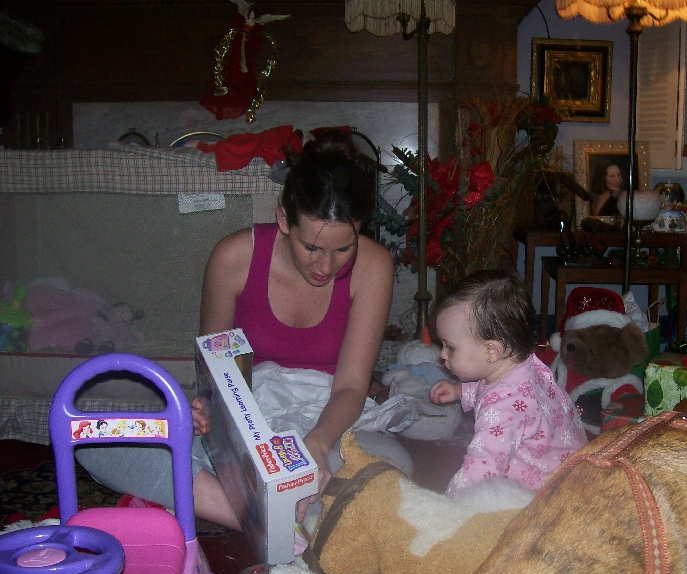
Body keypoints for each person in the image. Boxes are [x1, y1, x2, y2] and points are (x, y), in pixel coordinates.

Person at [76, 129, 412, 529]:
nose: (326, 267)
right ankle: (271, 521)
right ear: (284, 219)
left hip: (329, 418)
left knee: (391, 466)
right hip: (250, 415)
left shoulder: (374, 267)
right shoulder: (233, 257)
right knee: (97, 443)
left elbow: (351, 387)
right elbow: (218, 374)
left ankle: (262, 509)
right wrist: (210, 412)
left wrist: (318, 444)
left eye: (344, 248)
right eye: (311, 248)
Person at [428, 270, 587, 497]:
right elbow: (491, 389)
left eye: (450, 347)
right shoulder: (522, 367)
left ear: (491, 351)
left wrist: (450, 503)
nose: (442, 354)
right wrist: (460, 390)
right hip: (569, 464)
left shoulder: (503, 409)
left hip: (549, 491)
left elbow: (482, 468)